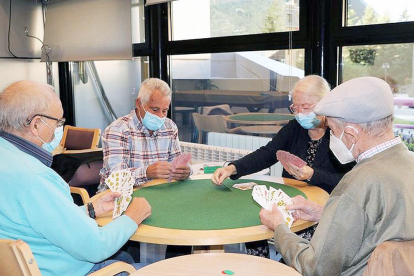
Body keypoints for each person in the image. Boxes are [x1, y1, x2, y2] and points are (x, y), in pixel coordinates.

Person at [259, 76, 414, 275]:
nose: (331, 136)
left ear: (351, 133)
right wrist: (324, 213)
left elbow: (316, 267)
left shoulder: (357, 183)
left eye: (331, 129)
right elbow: (382, 224)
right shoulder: (408, 162)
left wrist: (279, 227)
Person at [0, 80, 152, 276]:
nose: (59, 129)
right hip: (69, 270)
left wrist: (90, 209)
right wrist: (133, 216)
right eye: (58, 122)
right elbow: (97, 247)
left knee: (126, 258)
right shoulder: (36, 178)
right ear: (36, 124)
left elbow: (44, 219)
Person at [211, 75, 354, 258]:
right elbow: (268, 153)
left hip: (323, 210)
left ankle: (290, 265)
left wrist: (313, 175)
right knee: (257, 220)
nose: (300, 113)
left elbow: (348, 181)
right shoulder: (295, 128)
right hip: (292, 200)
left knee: (300, 243)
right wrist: (233, 168)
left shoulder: (340, 133)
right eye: (296, 107)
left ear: (324, 103)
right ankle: (262, 265)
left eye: (306, 107)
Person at [98, 78, 191, 259]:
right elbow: (116, 178)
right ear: (139, 103)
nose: (160, 117)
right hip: (118, 200)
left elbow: (176, 162)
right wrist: (147, 172)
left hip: (160, 196)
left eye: (165, 111)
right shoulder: (117, 130)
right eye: (154, 110)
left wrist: (185, 171)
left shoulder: (170, 127)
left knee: (184, 232)